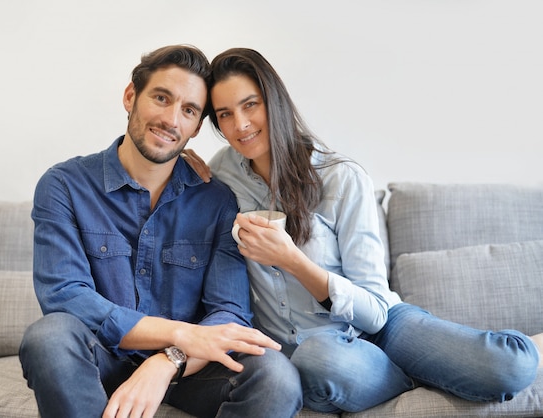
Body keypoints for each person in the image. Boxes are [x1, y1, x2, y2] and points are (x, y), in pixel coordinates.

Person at [182, 47, 542, 413]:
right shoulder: (224, 174)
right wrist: (178, 158)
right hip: (316, 352)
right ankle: (414, 376)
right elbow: (181, 186)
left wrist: (291, 260)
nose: (240, 124)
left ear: (274, 101)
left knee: (512, 365)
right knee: (320, 359)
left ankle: (443, 358)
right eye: (224, 115)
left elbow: (376, 313)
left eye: (250, 105)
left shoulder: (340, 178)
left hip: (383, 328)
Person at [19, 45, 303, 418]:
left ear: (197, 127)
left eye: (187, 110)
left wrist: (172, 356)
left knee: (275, 375)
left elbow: (230, 310)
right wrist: (178, 333)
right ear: (130, 96)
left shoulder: (217, 200)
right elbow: (65, 296)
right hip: (101, 359)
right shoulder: (64, 186)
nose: (171, 120)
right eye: (161, 98)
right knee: (49, 337)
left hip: (189, 370)